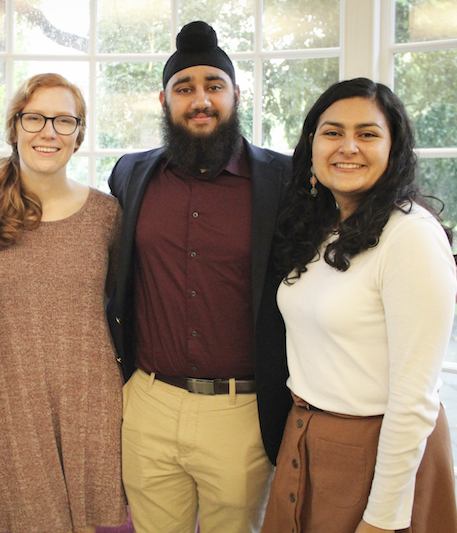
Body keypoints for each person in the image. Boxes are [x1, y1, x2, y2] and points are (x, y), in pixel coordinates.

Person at [107, 21, 293, 533]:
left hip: (242, 413)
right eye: (184, 88)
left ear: (236, 94)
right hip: (147, 403)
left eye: (214, 85)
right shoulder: (129, 174)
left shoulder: (285, 179)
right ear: (163, 100)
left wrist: (439, 254)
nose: (200, 100)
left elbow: (361, 211)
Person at [261, 78, 457, 533]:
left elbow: (414, 399)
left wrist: (383, 517)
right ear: (312, 144)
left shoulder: (410, 236)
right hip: (308, 439)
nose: (348, 147)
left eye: (368, 134)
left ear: (394, 149)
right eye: (333, 132)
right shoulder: (319, 225)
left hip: (379, 455)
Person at [0, 73, 127, 533]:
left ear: (79, 134)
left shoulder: (106, 214)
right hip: (15, 402)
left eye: (64, 120)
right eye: (35, 118)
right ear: (15, 126)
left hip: (90, 401)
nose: (49, 131)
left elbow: (124, 305)